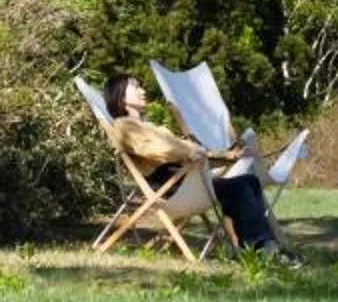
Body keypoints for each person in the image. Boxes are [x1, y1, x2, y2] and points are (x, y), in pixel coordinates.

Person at [103, 74, 296, 263]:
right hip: (172, 188)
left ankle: (259, 247)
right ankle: (262, 249)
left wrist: (227, 156)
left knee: (248, 182)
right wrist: (189, 151)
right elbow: (154, 149)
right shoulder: (124, 126)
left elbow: (188, 150)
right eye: (135, 87)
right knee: (240, 188)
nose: (142, 91)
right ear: (120, 96)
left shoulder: (148, 126)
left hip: (186, 180)